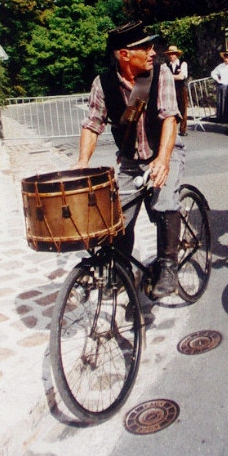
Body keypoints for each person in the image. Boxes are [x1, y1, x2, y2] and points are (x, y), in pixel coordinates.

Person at [74, 21, 185, 299]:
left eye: (152, 46)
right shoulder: (103, 83)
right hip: (130, 160)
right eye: (145, 47)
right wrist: (81, 163)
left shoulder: (161, 75)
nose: (152, 52)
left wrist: (163, 159)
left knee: (165, 201)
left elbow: (170, 118)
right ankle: (121, 270)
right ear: (124, 54)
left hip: (164, 150)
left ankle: (168, 266)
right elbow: (92, 124)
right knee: (118, 217)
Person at [164, 45, 189, 136]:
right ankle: (172, 128)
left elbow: (182, 76)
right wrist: (175, 76)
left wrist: (170, 76)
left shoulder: (183, 63)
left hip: (181, 88)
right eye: (170, 54)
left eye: (173, 54)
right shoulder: (166, 65)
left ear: (177, 55)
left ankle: (183, 129)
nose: (171, 56)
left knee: (183, 108)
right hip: (170, 89)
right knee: (171, 108)